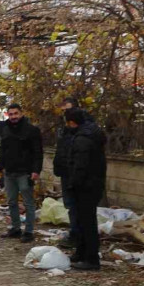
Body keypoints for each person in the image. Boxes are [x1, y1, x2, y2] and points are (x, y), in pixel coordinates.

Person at [64, 108, 107, 270]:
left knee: (86, 222)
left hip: (85, 186)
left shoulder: (82, 139)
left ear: (72, 122)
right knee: (84, 221)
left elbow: (80, 166)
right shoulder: (92, 134)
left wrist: (73, 184)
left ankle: (91, 259)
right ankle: (82, 253)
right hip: (93, 184)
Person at [0, 103, 43, 244]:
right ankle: (16, 228)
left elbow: (38, 152)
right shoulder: (5, 130)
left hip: (25, 172)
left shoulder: (31, 130)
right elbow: (2, 150)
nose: (13, 117)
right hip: (9, 172)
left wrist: (36, 170)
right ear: (7, 115)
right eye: (11, 114)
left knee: (28, 203)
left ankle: (28, 231)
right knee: (11, 202)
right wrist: (1, 168)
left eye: (16, 113)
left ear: (21, 114)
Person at [53, 97, 87, 249]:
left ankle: (78, 235)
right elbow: (61, 150)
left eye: (67, 111)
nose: (65, 114)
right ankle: (75, 234)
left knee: (77, 207)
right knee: (70, 206)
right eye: (63, 111)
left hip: (76, 174)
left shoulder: (82, 130)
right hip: (66, 172)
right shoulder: (65, 130)